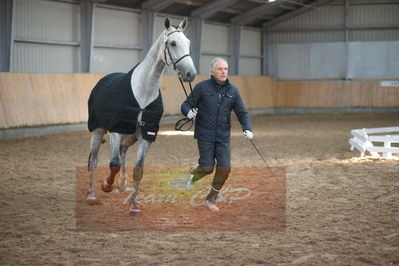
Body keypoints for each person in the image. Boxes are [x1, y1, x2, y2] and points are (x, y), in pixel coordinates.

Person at [181, 57, 254, 212]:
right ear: (212, 72)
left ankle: (211, 199)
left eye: (225, 69)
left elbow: (242, 112)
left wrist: (247, 128)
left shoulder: (233, 91)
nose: (223, 72)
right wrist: (188, 112)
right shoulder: (202, 88)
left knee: (225, 168)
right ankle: (193, 176)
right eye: (220, 69)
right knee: (207, 167)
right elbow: (186, 104)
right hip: (205, 134)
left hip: (223, 136)